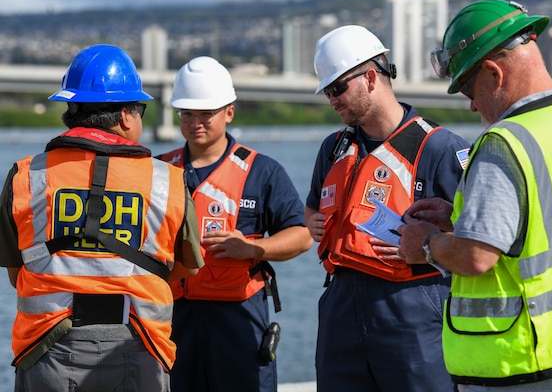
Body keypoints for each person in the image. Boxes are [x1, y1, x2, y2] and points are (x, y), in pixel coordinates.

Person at [397, 0, 552, 391]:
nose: (472, 104)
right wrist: (462, 219)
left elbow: (476, 256)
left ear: (493, 73)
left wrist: (426, 244)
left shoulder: (504, 143)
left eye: (469, 89)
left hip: (525, 363)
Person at [0, 44, 204, 392]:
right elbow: (187, 268)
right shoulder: (168, 181)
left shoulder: (26, 176)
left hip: (46, 351)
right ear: (126, 116)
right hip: (140, 349)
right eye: (140, 109)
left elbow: (16, 270)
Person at [304, 24, 471, 392]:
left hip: (412, 308)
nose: (332, 100)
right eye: (327, 92)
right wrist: (316, 224)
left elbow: (479, 238)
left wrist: (428, 247)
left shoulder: (440, 148)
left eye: (337, 89)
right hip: (340, 307)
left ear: (369, 77)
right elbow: (313, 208)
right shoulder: (333, 149)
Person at [155, 56, 313, 392]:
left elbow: (301, 236)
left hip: (239, 318)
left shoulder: (262, 171)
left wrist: (254, 248)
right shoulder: (157, 171)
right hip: (172, 318)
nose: (195, 122)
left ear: (229, 112)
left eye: (205, 113)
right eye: (187, 114)